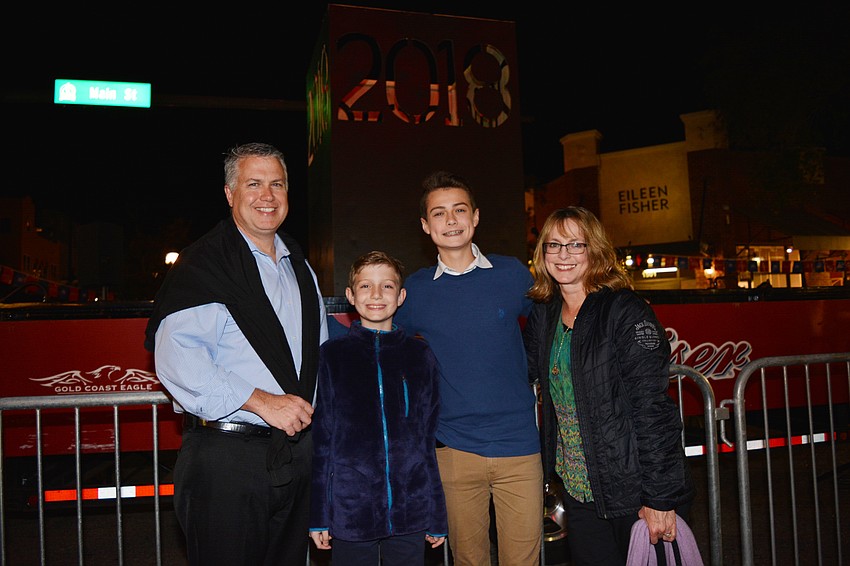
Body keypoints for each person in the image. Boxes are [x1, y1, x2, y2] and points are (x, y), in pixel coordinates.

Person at [143, 142, 329, 566]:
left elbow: (319, 355)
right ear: (230, 194)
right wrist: (263, 402)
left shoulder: (299, 266)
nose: (268, 196)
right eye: (254, 184)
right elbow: (178, 359)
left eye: (277, 184)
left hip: (294, 457)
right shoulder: (204, 263)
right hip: (227, 462)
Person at [523, 207, 694, 565]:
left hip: (632, 488)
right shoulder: (545, 313)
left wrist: (660, 497)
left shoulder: (624, 310)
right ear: (542, 253)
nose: (563, 255)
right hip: (578, 490)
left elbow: (652, 407)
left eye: (575, 244)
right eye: (554, 245)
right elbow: (520, 373)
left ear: (595, 250)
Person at [393, 171, 543, 565]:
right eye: (439, 213)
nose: (451, 220)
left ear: (475, 217)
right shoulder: (416, 290)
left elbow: (549, 327)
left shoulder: (513, 274)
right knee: (468, 561)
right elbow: (383, 340)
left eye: (459, 210)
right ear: (426, 226)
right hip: (454, 450)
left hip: (519, 446)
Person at [309, 250, 447, 565]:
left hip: (410, 507)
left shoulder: (420, 355)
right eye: (365, 286)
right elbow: (322, 441)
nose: (376, 294)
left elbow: (428, 441)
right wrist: (319, 515)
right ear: (350, 296)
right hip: (351, 508)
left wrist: (436, 512)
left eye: (386, 286)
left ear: (401, 296)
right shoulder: (332, 355)